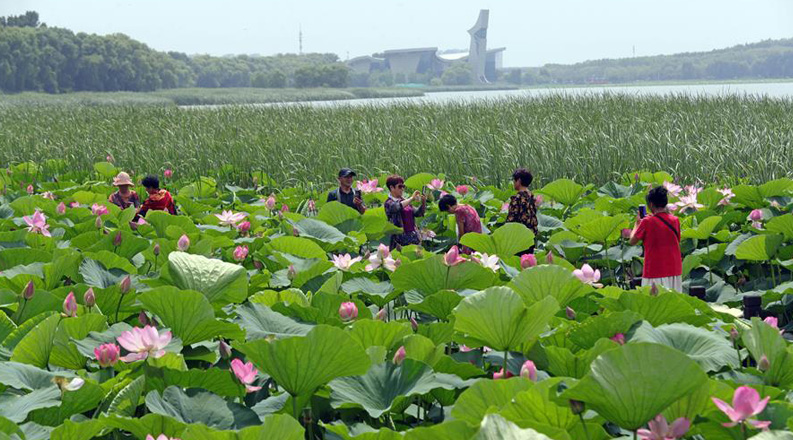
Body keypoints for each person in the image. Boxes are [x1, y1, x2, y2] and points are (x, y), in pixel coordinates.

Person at [629, 186, 683, 292]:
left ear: (651, 204)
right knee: (673, 303)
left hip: (654, 271)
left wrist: (637, 224)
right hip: (674, 269)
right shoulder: (675, 220)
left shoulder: (647, 222)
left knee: (655, 304)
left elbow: (632, 241)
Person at [384, 175, 426, 249]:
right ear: (391, 188)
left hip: (413, 237)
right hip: (399, 240)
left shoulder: (405, 201)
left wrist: (423, 202)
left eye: (403, 186)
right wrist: (412, 198)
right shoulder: (388, 203)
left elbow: (418, 213)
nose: (402, 189)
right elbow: (396, 207)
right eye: (400, 186)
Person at [506, 168, 539, 254]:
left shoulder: (518, 198)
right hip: (531, 236)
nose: (513, 183)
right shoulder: (531, 196)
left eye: (514, 180)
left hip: (519, 238)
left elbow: (511, 219)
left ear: (519, 181)